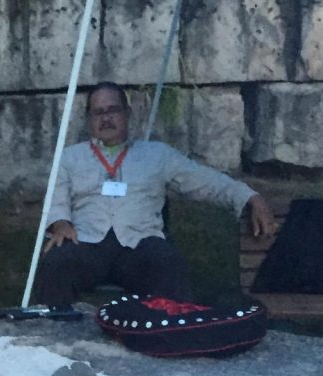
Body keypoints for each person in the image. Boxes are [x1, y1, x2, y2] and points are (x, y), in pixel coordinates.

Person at [34, 81, 276, 308]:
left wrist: (250, 197)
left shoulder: (157, 155)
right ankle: (52, 339)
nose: (106, 118)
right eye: (98, 112)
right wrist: (60, 223)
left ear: (127, 114)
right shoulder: (70, 157)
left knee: (166, 260)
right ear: (89, 119)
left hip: (139, 243)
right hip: (88, 241)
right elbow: (57, 197)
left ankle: (172, 336)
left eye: (113, 110)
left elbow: (204, 181)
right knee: (58, 259)